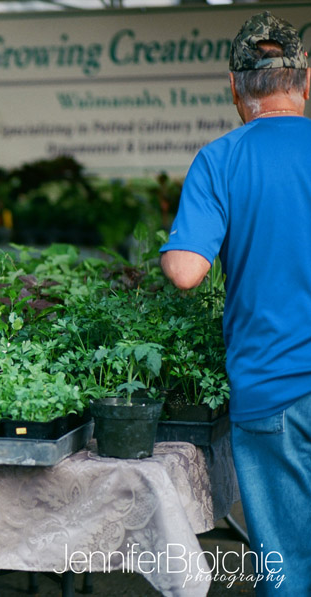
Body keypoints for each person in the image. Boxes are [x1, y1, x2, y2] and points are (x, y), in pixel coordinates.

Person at [160, 12, 310, 595]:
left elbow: (185, 271)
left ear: (233, 87)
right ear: (306, 80)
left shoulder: (220, 159)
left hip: (274, 392)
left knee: (288, 571)